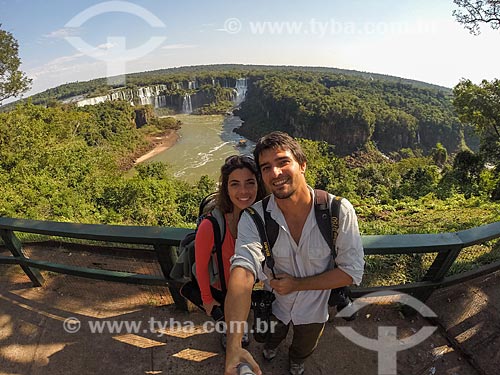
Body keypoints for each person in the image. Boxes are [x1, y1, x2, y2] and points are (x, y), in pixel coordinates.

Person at [224, 132, 365, 375]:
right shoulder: (255, 218)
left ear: (302, 164)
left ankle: (296, 360)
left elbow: (351, 272)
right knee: (271, 337)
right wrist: (234, 345)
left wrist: (297, 284)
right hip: (275, 305)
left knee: (304, 345)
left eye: (282, 162)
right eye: (266, 167)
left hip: (315, 309)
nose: (275, 173)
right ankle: (270, 350)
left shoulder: (337, 211)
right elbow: (243, 270)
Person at [194, 154, 266, 347]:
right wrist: (207, 300)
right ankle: (230, 336)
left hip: (252, 285)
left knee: (244, 316)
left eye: (250, 182)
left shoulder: (266, 219)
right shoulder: (211, 225)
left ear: (259, 185)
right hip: (222, 290)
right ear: (226, 188)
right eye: (235, 184)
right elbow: (200, 267)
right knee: (229, 322)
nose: (243, 191)